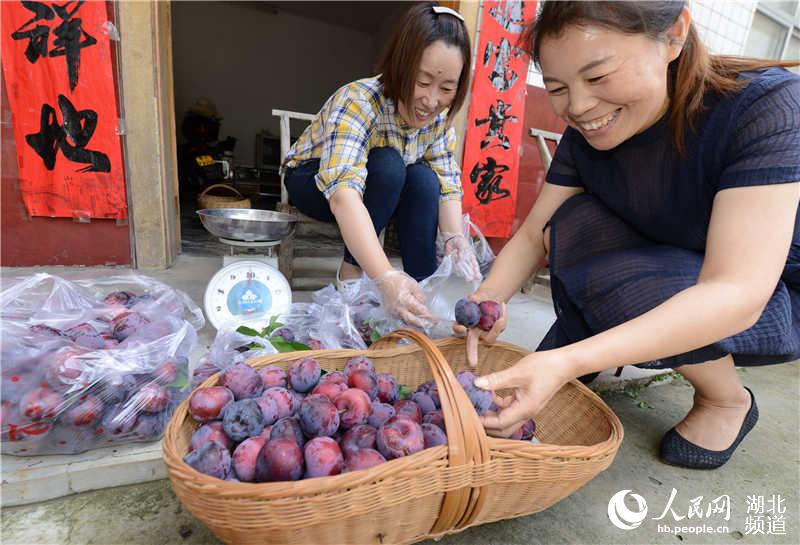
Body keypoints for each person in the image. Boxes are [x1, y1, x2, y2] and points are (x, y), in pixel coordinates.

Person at [460, 0, 800, 470]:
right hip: (671, 255)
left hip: (770, 291)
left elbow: (738, 290)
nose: (578, 107)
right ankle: (599, 329)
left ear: (674, 34)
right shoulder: (587, 130)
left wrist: (568, 362)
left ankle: (726, 399)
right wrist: (488, 299)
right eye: (557, 87)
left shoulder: (764, 106)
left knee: (650, 294)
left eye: (598, 77)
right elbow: (537, 230)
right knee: (571, 223)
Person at [281, 2, 480, 328]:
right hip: (313, 180)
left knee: (424, 179)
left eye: (446, 88)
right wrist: (385, 276)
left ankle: (422, 291)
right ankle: (352, 270)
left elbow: (446, 179)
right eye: (422, 80)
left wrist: (456, 238)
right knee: (389, 164)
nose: (431, 101)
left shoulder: (439, 120)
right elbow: (343, 194)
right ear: (401, 66)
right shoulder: (359, 99)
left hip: (378, 187)